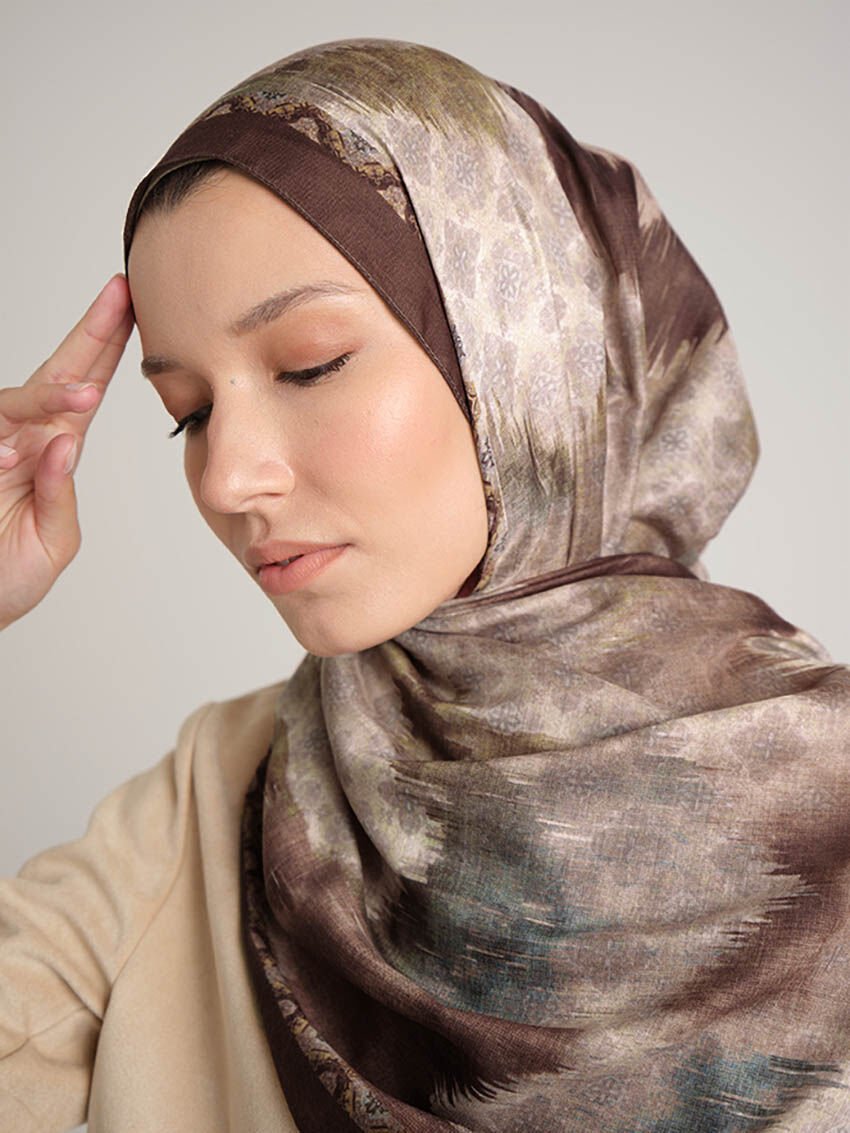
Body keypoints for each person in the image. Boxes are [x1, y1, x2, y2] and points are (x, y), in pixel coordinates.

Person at [1, 37, 848, 1133]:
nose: (226, 477)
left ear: (526, 353)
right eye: (190, 413)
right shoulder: (206, 809)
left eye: (310, 363)